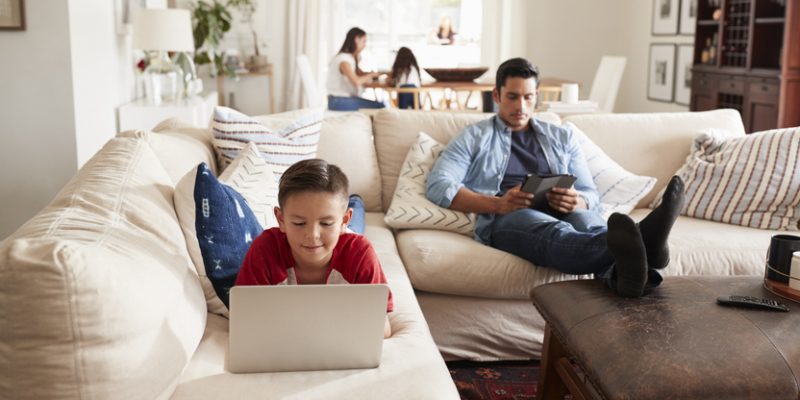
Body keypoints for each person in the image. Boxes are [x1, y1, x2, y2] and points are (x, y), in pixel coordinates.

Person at [426, 57, 685, 297]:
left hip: (563, 210)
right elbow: (439, 186)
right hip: (509, 217)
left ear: (536, 97)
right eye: (512, 97)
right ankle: (647, 244)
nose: (520, 106)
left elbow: (590, 194)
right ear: (496, 95)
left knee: (589, 222)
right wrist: (498, 203)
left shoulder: (562, 137)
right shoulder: (473, 136)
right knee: (555, 232)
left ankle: (627, 278)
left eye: (528, 98)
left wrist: (576, 201)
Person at [236, 159, 393, 338]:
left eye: (326, 223)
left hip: (345, 235)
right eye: (299, 223)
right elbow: (244, 320)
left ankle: (356, 203)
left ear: (343, 220)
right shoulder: (264, 249)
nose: (312, 235)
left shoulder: (360, 251)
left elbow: (383, 328)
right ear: (281, 220)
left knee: (356, 226)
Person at [326, 27, 385, 111]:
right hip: (338, 101)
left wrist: (371, 74)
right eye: (364, 41)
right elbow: (357, 81)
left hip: (342, 100)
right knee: (380, 106)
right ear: (356, 40)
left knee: (379, 105)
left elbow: (359, 74)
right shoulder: (343, 60)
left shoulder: (350, 58)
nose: (365, 45)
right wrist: (371, 75)